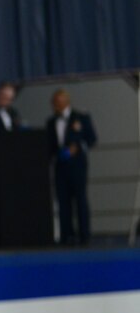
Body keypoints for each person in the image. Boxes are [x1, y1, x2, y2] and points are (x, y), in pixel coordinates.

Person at [46, 88, 97, 245]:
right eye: (55, 102)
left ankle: (84, 235)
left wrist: (78, 147)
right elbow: (49, 145)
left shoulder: (81, 117)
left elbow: (92, 139)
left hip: (78, 166)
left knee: (80, 200)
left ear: (66, 102)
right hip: (60, 167)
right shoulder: (51, 122)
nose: (57, 105)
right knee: (63, 202)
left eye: (60, 102)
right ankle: (66, 235)